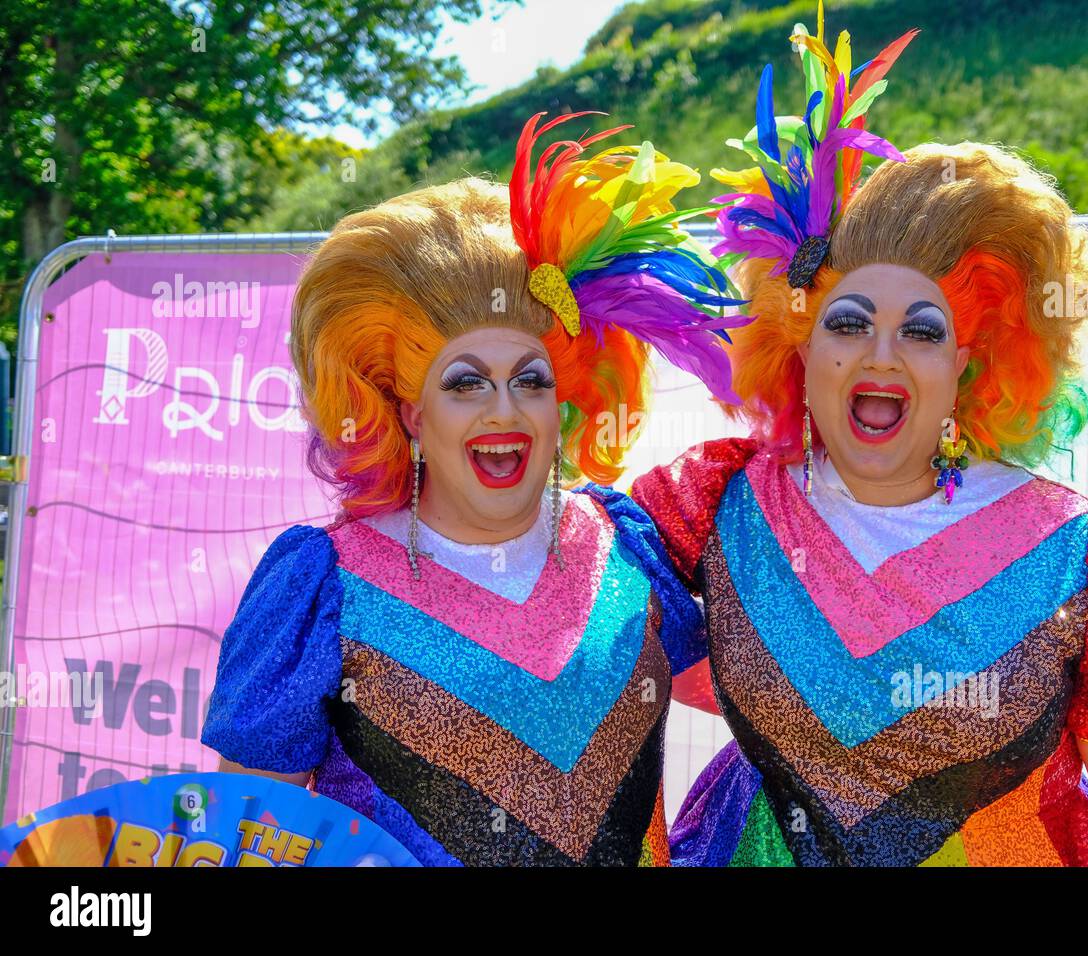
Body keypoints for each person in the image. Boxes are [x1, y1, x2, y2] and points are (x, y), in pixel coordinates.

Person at [630, 6, 1088, 866]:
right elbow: (562, 599)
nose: (881, 356)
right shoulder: (715, 503)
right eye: (847, 324)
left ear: (968, 361)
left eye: (920, 330)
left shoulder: (1075, 549)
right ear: (800, 342)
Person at [201, 110, 748, 866]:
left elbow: (775, 710)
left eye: (530, 379)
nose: (505, 409)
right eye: (466, 384)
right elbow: (251, 831)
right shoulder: (320, 583)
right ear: (408, 414)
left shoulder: (627, 549)